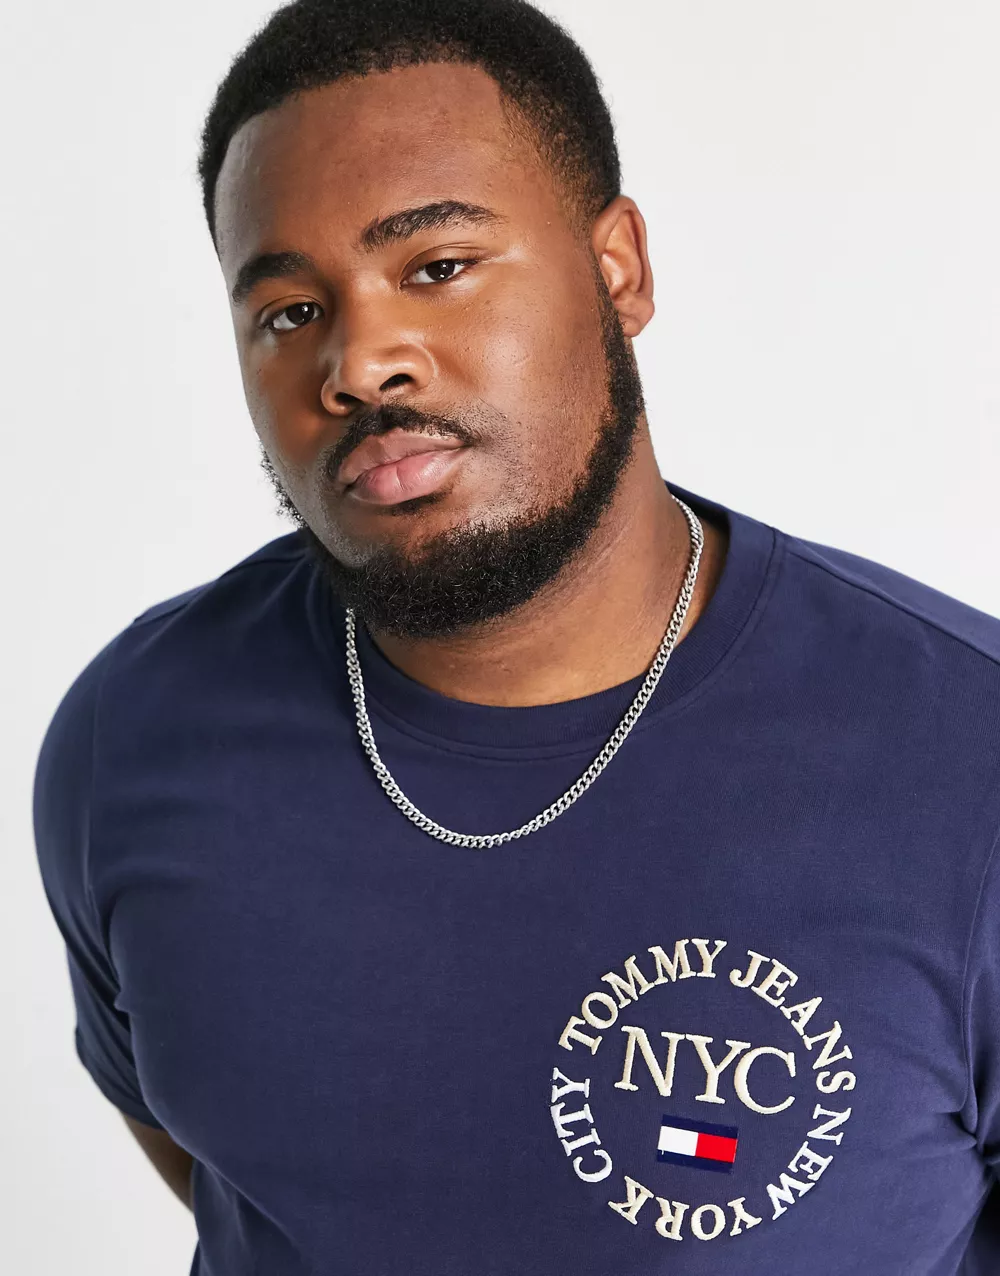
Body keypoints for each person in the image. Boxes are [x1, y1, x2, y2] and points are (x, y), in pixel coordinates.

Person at [32, 0, 1000, 1271]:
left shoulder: (962, 760)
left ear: (618, 270)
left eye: (437, 266)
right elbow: (235, 1172)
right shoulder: (135, 734)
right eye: (289, 312)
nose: (360, 362)